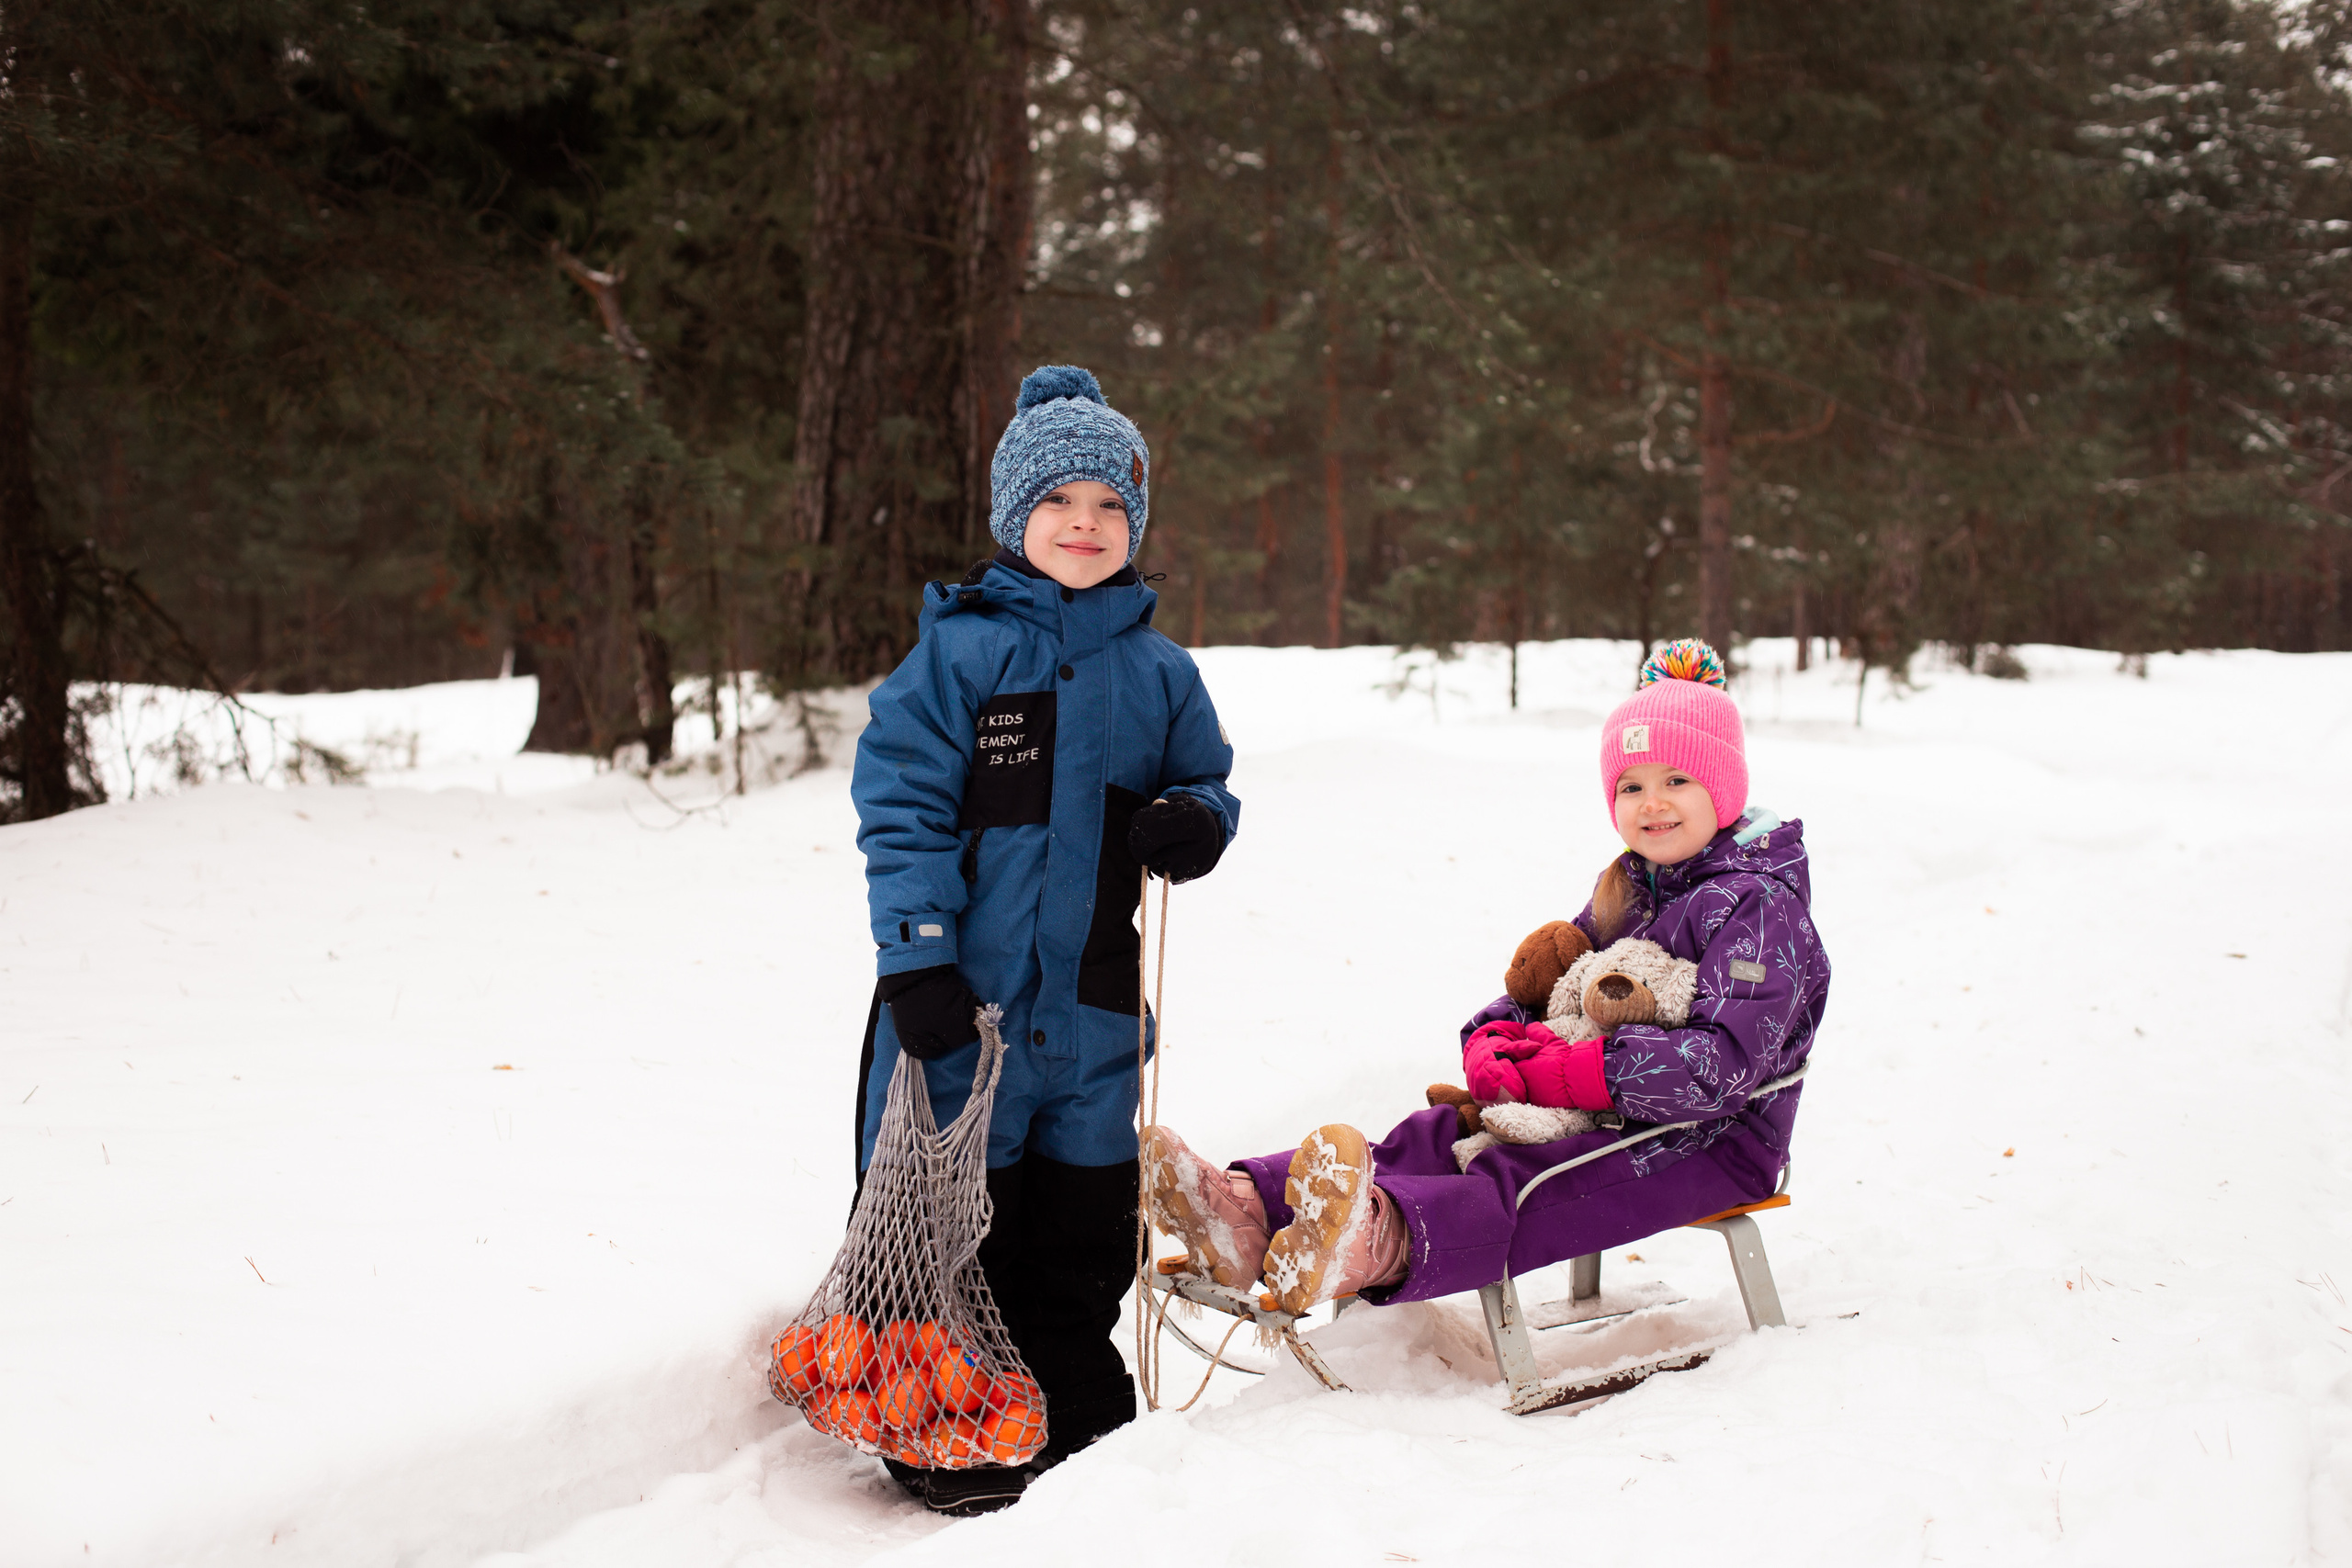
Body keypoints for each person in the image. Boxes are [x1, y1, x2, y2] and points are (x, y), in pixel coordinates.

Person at [1142, 639, 1826, 1317]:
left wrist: (1577, 1073)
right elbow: (1553, 978)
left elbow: (1724, 1066)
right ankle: (1247, 1209)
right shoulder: (1634, 885)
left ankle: (1377, 1236)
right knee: (1441, 1133)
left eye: (1678, 780)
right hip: (1606, 1102)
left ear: (1725, 784)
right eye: (1631, 785)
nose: (1653, 804)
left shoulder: (1757, 905)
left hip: (1717, 1137)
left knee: (1522, 1175)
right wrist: (1494, 1034)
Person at [850, 365, 1239, 1513]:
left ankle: (1069, 1396)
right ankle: (940, 1417)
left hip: (1092, 1010)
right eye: (1059, 503)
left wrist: (1195, 823)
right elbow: (903, 804)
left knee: (1076, 1220)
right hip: (959, 1003)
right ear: (1015, 519)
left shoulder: (1160, 674)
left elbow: (1204, 784)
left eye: (1111, 504)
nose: (1086, 524)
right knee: (960, 1218)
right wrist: (915, 953)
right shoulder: (962, 658)